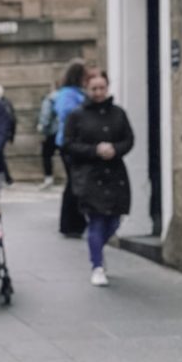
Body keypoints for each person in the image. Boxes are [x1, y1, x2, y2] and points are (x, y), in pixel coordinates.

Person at [63, 70, 134, 287]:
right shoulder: (76, 115)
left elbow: (129, 139)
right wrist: (95, 150)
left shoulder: (118, 113)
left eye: (102, 87)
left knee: (113, 220)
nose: (99, 92)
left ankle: (97, 248)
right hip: (89, 174)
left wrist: (116, 149)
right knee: (96, 220)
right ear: (86, 88)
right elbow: (68, 144)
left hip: (114, 173)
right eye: (94, 88)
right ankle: (97, 265)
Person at [48, 62, 89, 236]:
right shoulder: (68, 94)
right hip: (70, 143)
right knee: (74, 183)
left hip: (75, 141)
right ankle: (70, 224)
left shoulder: (75, 93)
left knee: (74, 183)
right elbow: (66, 113)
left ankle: (74, 223)